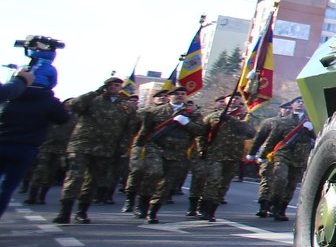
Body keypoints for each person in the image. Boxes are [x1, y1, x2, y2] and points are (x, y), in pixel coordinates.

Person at [55, 76, 136, 221]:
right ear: (104, 86)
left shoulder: (126, 106)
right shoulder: (92, 100)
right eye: (110, 84)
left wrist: (122, 148)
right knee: (74, 177)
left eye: (117, 85)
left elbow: (129, 129)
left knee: (92, 181)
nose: (114, 87)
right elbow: (74, 105)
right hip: (82, 145)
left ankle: (82, 212)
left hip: (105, 148)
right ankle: (64, 212)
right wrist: (95, 92)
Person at [1, 68, 71, 219]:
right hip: (25, 148)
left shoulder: (10, 95)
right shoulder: (49, 101)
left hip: (3, 142)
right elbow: (63, 119)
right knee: (6, 188)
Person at [136, 87, 207, 223]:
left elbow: (200, 131)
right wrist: (138, 148)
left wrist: (187, 123)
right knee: (154, 173)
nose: (180, 96)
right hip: (156, 148)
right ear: (169, 96)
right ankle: (142, 204)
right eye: (176, 94)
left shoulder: (192, 113)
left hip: (177, 151)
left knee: (167, 182)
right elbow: (145, 131)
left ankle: (153, 211)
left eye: (183, 94)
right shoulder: (156, 111)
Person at [188, 95, 254, 221]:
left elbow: (251, 133)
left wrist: (232, 120)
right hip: (215, 154)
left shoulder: (245, 116)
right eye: (231, 98)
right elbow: (202, 133)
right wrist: (202, 149)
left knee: (224, 184)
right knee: (213, 181)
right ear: (225, 101)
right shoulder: (213, 116)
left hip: (233, 155)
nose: (234, 100)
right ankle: (205, 210)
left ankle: (212, 209)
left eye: (237, 98)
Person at [253, 105, 315, 221]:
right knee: (280, 179)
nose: (300, 104)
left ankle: (280, 210)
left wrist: (312, 131)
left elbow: (321, 137)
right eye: (297, 102)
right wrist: (262, 155)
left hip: (300, 157)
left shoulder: (313, 121)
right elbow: (272, 139)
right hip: (283, 154)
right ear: (293, 105)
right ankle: (271, 203)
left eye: (302, 102)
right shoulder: (283, 121)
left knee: (291, 184)